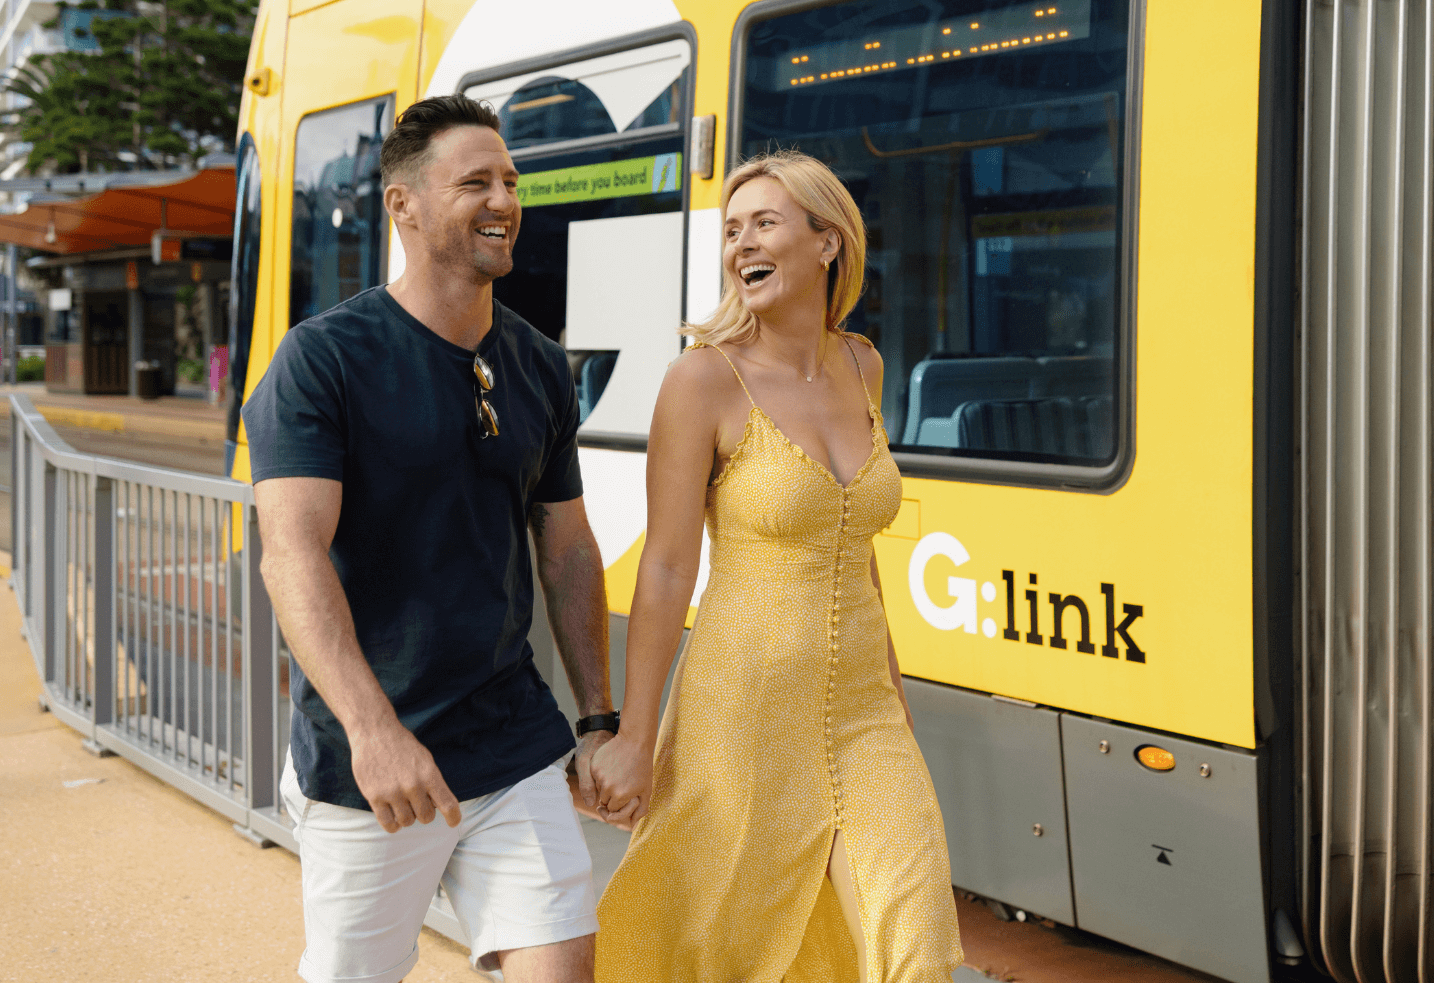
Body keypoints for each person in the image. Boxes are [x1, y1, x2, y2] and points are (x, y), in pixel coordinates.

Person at [245, 95, 618, 983]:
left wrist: (599, 718)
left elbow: (566, 548)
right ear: (403, 204)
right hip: (371, 764)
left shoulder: (536, 363)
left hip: (512, 740)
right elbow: (290, 554)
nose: (504, 200)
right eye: (476, 182)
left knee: (562, 969)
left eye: (512, 181)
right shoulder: (325, 359)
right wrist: (373, 732)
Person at [588, 151, 962, 981]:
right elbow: (666, 570)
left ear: (828, 241)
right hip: (738, 716)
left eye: (763, 222)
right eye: (731, 229)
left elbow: (855, 559)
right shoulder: (700, 383)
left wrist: (896, 703)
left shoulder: (864, 364)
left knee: (919, 943)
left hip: (866, 717)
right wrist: (636, 736)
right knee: (719, 950)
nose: (739, 244)